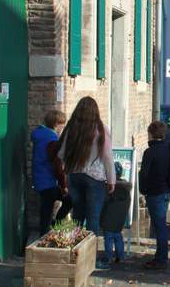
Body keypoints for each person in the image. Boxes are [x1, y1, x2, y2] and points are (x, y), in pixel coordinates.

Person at [57, 97, 115, 245]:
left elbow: (61, 154)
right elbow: (107, 156)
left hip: (74, 175)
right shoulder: (101, 129)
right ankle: (90, 257)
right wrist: (111, 180)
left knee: (77, 216)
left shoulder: (71, 128)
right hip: (95, 178)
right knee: (93, 218)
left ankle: (75, 251)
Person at [139, 120, 170, 269]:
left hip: (155, 192)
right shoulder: (169, 149)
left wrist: (143, 190)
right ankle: (160, 256)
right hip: (168, 190)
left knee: (159, 225)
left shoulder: (150, 152)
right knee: (160, 224)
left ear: (150, 134)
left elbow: (144, 174)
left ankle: (161, 259)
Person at [31, 110, 71, 236]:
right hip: (48, 179)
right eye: (62, 124)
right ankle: (53, 227)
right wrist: (64, 185)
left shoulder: (39, 135)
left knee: (46, 207)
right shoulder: (52, 139)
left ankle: (45, 231)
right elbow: (57, 164)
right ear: (56, 124)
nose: (62, 128)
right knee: (70, 199)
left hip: (39, 178)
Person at [99, 162, 132, 268]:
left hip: (108, 218)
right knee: (118, 236)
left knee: (108, 238)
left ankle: (108, 258)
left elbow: (103, 202)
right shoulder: (126, 189)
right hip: (120, 219)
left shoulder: (108, 187)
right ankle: (120, 256)